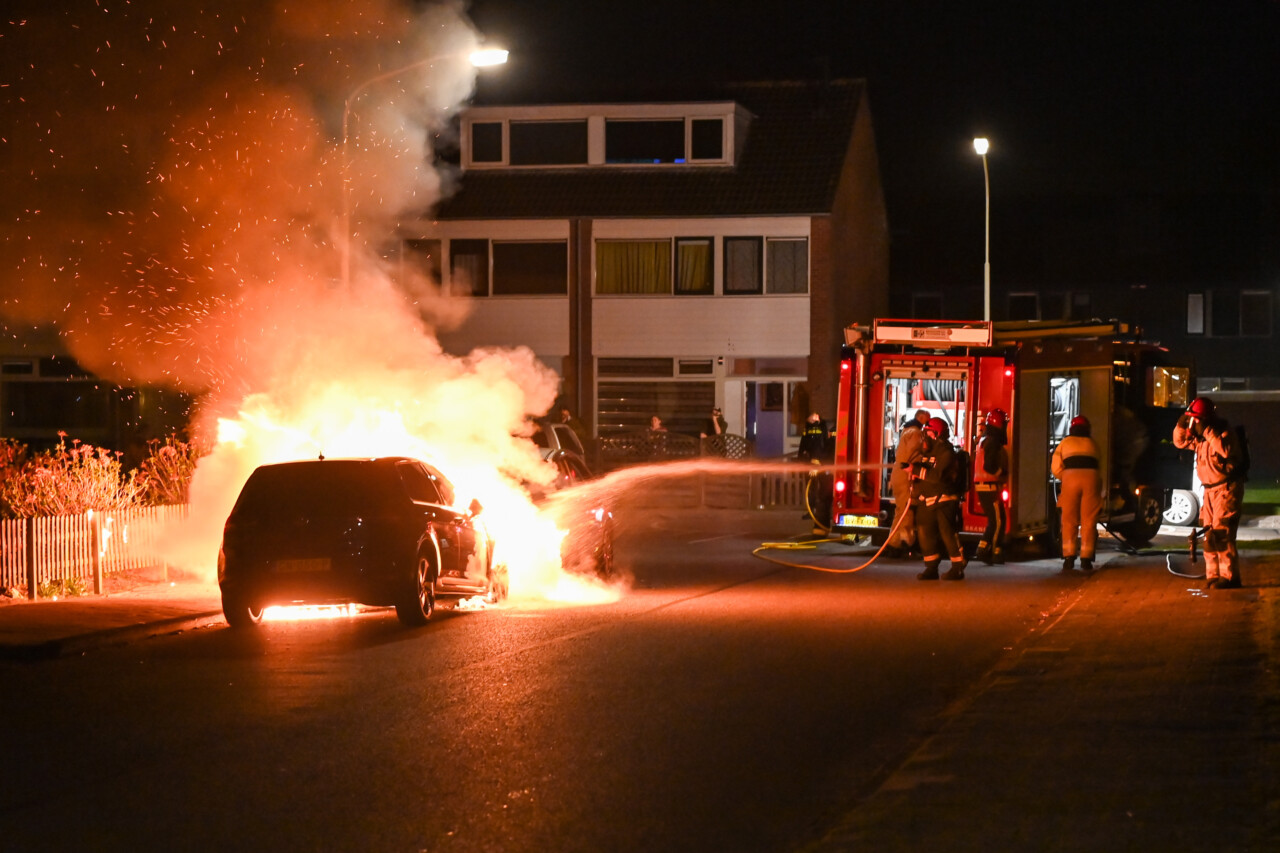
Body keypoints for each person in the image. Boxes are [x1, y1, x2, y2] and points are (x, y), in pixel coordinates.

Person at [1173, 396, 1244, 589]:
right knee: (1209, 535)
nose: (1193, 423)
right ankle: (1213, 576)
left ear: (1205, 418)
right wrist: (1182, 425)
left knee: (1222, 534)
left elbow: (1226, 451)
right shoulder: (1200, 438)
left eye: (1196, 418)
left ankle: (1229, 578)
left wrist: (1207, 431)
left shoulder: (1223, 433)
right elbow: (1179, 443)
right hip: (1209, 492)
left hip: (1226, 490)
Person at [911, 417, 967, 581]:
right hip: (926, 501)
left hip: (944, 500)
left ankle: (958, 567)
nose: (925, 436)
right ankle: (931, 568)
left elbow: (937, 476)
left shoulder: (947, 453)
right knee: (925, 533)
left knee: (947, 533)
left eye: (928, 432)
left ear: (937, 434)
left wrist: (915, 470)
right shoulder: (926, 453)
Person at [1051, 414, 1103, 573]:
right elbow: (1099, 466)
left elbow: (1055, 468)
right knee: (1089, 520)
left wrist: (1066, 477)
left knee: (1069, 520)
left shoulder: (1065, 443)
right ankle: (1086, 559)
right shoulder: (1093, 444)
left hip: (1070, 479)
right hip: (1091, 479)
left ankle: (1069, 558)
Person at [884, 409, 929, 559]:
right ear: (921, 418)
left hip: (901, 475)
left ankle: (903, 544)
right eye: (927, 420)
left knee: (904, 512)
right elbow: (913, 455)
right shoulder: (916, 433)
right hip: (906, 477)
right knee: (904, 513)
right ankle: (895, 545)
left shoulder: (907, 431)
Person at [973, 408, 1010, 565]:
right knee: (998, 521)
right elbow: (989, 466)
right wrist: (1001, 471)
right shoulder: (992, 442)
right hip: (990, 486)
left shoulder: (985, 439)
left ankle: (990, 550)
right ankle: (989, 551)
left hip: (985, 486)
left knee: (996, 520)